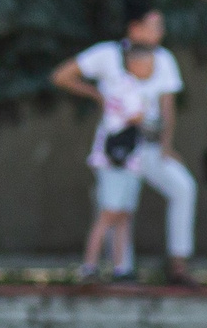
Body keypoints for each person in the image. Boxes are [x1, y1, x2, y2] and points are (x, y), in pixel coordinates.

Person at [52, 1, 195, 284]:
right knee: (114, 209)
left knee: (181, 188)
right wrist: (97, 95)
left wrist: (167, 145)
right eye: (153, 26)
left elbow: (167, 107)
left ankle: (176, 265)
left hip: (150, 147)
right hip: (118, 150)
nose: (159, 33)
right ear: (135, 28)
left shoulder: (164, 59)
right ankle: (107, 267)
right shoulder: (108, 55)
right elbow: (62, 76)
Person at [69, 39, 168, 281]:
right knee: (108, 214)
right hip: (115, 162)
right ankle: (89, 266)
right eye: (148, 65)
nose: (152, 70)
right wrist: (147, 120)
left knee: (124, 216)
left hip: (131, 161)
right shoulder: (122, 87)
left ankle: (121, 268)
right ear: (134, 64)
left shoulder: (137, 88)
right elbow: (134, 117)